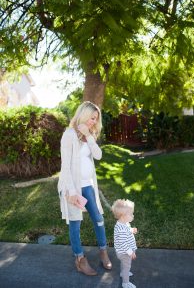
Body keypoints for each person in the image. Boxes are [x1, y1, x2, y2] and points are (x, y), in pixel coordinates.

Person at [58, 101, 112, 276]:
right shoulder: (69, 135)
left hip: (88, 185)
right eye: (91, 118)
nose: (93, 121)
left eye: (96, 119)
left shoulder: (90, 134)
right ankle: (80, 259)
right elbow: (65, 167)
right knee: (75, 223)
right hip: (73, 188)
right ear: (83, 114)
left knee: (98, 218)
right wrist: (72, 192)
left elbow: (98, 155)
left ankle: (103, 251)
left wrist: (89, 135)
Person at [112, 199, 138, 288]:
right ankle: (125, 283)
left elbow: (125, 231)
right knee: (127, 266)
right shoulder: (122, 228)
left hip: (122, 251)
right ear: (123, 216)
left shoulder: (123, 224)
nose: (132, 215)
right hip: (125, 252)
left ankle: (123, 273)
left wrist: (131, 230)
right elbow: (123, 243)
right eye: (131, 214)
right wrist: (130, 252)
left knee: (124, 264)